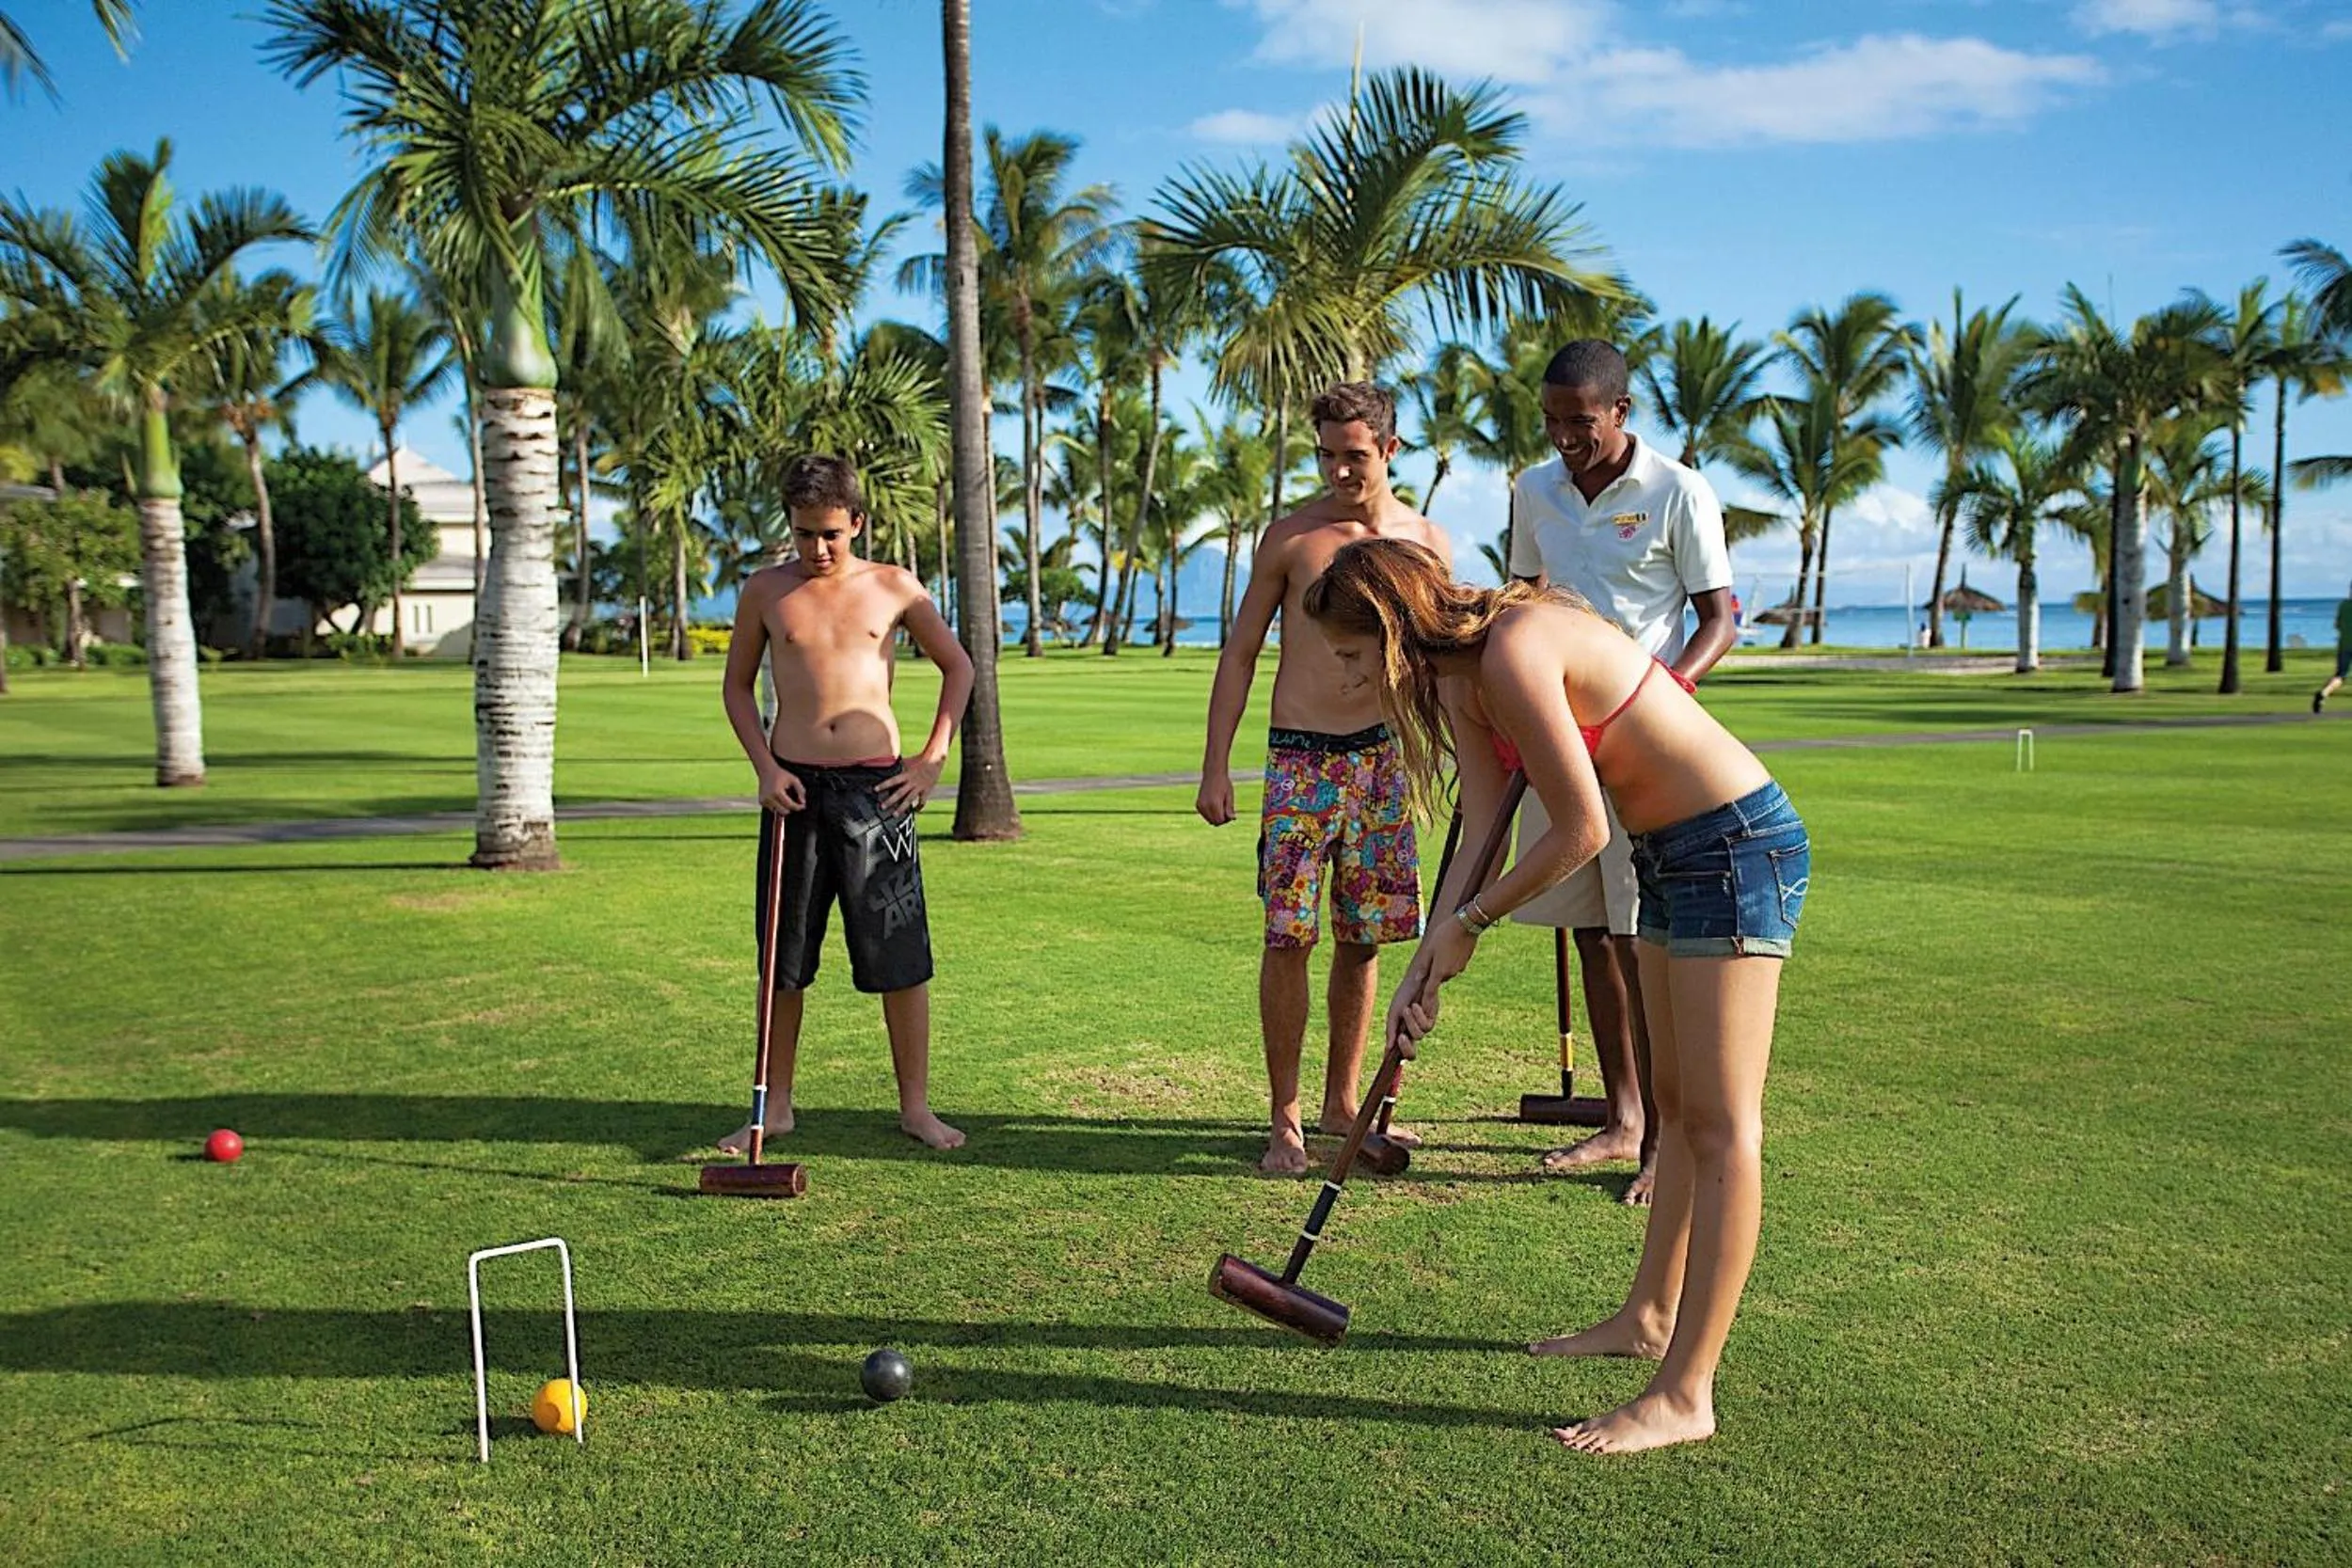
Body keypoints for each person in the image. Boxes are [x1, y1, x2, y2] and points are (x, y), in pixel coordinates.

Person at [1304, 538, 1808, 1455]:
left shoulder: (1516, 648)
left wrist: (1477, 921)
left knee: (1723, 1123)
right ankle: (1648, 1314)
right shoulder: (1463, 678)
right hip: (1669, 852)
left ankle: (1686, 1391)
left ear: (1385, 632)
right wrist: (1431, 950)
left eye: (1347, 655)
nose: (1344, 677)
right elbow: (1480, 836)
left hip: (1735, 845)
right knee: (1674, 1104)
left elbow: (1579, 825)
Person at [1198, 382, 1454, 1173]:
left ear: (1390, 451)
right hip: (1300, 759)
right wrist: (1216, 766)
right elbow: (1240, 652)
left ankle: (1345, 1102)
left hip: (1381, 759)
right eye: (1328, 455)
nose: (1341, 471)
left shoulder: (1426, 540)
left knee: (1364, 938)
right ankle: (1284, 1120)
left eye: (1356, 455)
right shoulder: (1291, 537)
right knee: (1288, 937)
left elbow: (1443, 659)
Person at [1505, 339, 1738, 1205]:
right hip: (1558, 737)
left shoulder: (1680, 491)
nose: (1565, 436)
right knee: (1596, 932)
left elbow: (1719, 617)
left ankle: (1666, 1140)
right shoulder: (1534, 491)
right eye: (1553, 420)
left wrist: (1663, 693)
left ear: (1622, 412)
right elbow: (1522, 599)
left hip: (1645, 743)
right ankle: (1625, 1116)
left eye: (1581, 421)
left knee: (1646, 939)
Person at [717, 454, 974, 1152]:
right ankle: (776, 1106)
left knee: (901, 956)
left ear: (857, 521)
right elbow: (737, 688)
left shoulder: (894, 587)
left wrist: (930, 762)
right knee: (784, 957)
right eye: (804, 533)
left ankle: (916, 1106)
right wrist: (764, 769)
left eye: (830, 532)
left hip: (878, 794)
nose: (817, 548)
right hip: (794, 792)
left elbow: (960, 667)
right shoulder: (765, 591)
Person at [2314, 580, 2351, 713]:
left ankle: (2324, 693)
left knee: (2340, 675)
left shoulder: (2344, 605)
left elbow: (2337, 625)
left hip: (2344, 645)